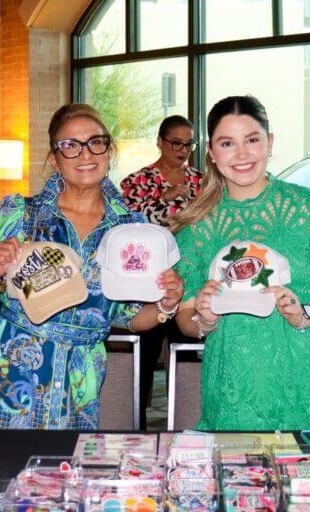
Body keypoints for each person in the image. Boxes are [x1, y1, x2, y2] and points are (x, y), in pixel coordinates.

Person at [0, 103, 185, 429]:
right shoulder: (17, 214)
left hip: (80, 378)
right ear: (54, 159)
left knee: (63, 472)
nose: (85, 154)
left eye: (96, 142)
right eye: (70, 146)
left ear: (109, 151)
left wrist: (165, 304)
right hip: (6, 372)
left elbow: (131, 317)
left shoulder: (128, 230)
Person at [172, 95, 310, 431]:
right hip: (236, 392)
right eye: (227, 143)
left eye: (252, 140)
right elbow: (186, 319)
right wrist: (203, 318)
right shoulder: (198, 228)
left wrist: (305, 313)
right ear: (211, 153)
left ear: (270, 142)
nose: (241, 154)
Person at [119, 115, 203, 428]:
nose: (183, 150)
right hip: (148, 283)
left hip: (190, 279)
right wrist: (160, 200)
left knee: (187, 357)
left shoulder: (201, 182)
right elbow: (125, 229)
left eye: (189, 144)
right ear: (160, 142)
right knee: (144, 356)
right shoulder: (136, 182)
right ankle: (136, 428)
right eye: (176, 143)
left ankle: (188, 427)